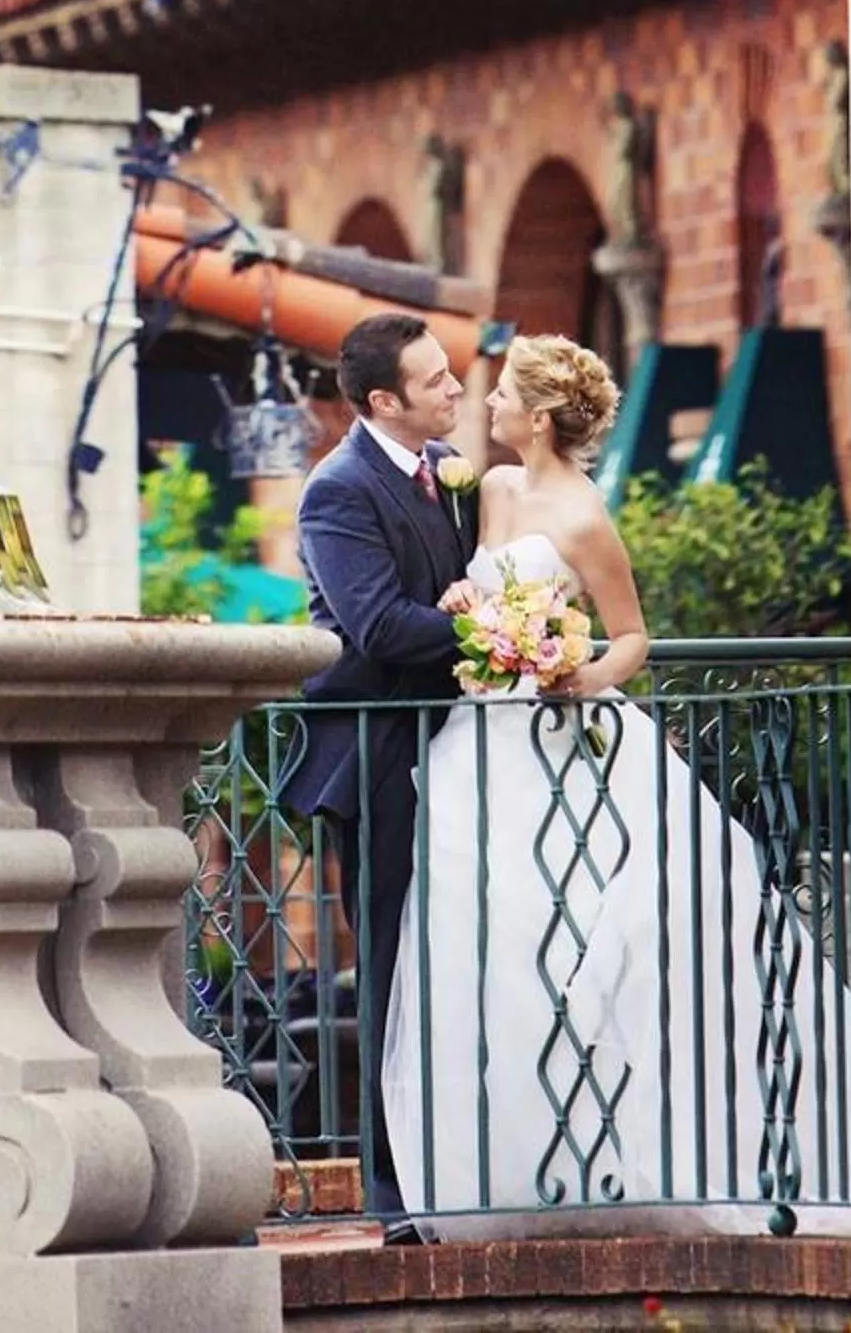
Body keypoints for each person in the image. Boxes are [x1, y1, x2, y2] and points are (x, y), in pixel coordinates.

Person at [382, 335, 851, 1239]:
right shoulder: (491, 490)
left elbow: (632, 639)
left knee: (599, 945)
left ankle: (653, 1158)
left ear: (537, 417)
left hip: (563, 732)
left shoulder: (583, 518)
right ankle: (521, 1171)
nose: (482, 407)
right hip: (480, 741)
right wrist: (467, 611)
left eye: (499, 397)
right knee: (487, 945)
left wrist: (576, 670)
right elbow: (479, 591)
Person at [285, 311, 472, 1222]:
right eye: (436, 381)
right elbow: (382, 627)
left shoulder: (446, 472)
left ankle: (468, 1160)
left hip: (460, 747)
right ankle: (395, 1191)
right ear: (383, 401)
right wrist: (507, 622)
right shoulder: (338, 491)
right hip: (380, 754)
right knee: (394, 965)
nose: (456, 389)